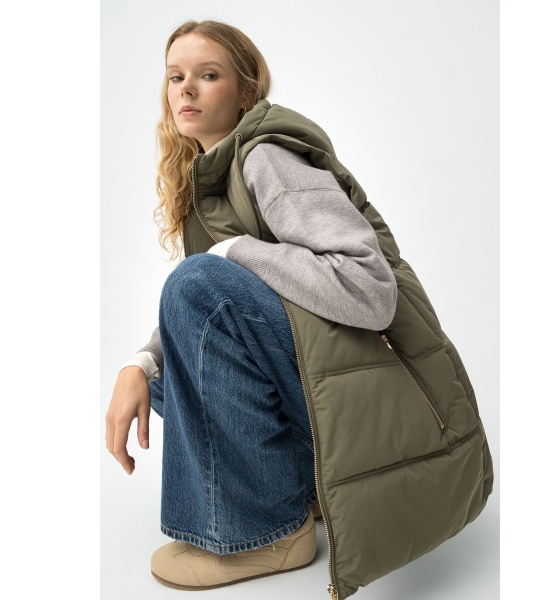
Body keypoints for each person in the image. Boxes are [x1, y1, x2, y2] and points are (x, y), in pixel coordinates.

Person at [105, 19, 398, 593]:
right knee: (169, 368)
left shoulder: (267, 158)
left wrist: (237, 250)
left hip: (358, 395)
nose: (186, 89)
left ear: (245, 90)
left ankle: (267, 534)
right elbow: (212, 314)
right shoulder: (209, 177)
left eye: (208, 75)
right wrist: (140, 364)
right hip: (315, 383)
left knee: (195, 286)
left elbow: (372, 291)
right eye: (175, 77)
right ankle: (301, 491)